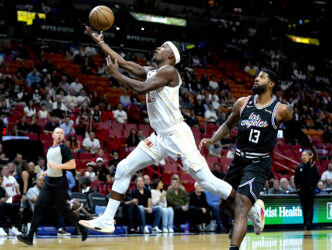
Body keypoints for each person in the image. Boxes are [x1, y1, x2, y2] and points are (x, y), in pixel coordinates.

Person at [79, 26, 236, 234]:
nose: (157, 49)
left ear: (170, 55)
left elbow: (141, 88)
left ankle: (247, 204)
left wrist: (116, 75)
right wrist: (101, 43)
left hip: (177, 135)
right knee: (124, 168)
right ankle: (107, 219)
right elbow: (124, 63)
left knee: (206, 181)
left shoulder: (170, 71)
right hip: (160, 137)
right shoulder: (152, 71)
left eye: (162, 47)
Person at [199, 69, 318, 249]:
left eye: (262, 77)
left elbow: (296, 131)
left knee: (240, 205)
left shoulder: (281, 110)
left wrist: (312, 148)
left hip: (258, 163)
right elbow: (228, 124)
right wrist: (213, 139)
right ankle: (254, 212)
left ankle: (237, 238)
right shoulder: (242, 103)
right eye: (257, 76)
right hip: (239, 160)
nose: (256, 78)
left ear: (271, 84)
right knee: (224, 204)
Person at [17, 127, 88, 245]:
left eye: (62, 133)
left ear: (63, 137)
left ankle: (82, 226)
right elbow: (51, 167)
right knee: (38, 206)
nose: (60, 134)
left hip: (60, 184)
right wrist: (46, 172)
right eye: (57, 132)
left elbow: (72, 164)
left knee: (64, 211)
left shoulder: (64, 148)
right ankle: (29, 237)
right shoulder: (50, 150)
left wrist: (57, 167)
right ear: (53, 136)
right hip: (49, 182)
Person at [295, 151, 319, 230]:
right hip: (302, 191)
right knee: (304, 207)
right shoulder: (299, 167)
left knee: (310, 207)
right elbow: (296, 179)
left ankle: (309, 223)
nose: (304, 156)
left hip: (310, 190)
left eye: (305, 155)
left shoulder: (313, 167)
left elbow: (317, 178)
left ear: (309, 157)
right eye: (302, 155)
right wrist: (297, 188)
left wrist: (313, 186)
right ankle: (305, 222)